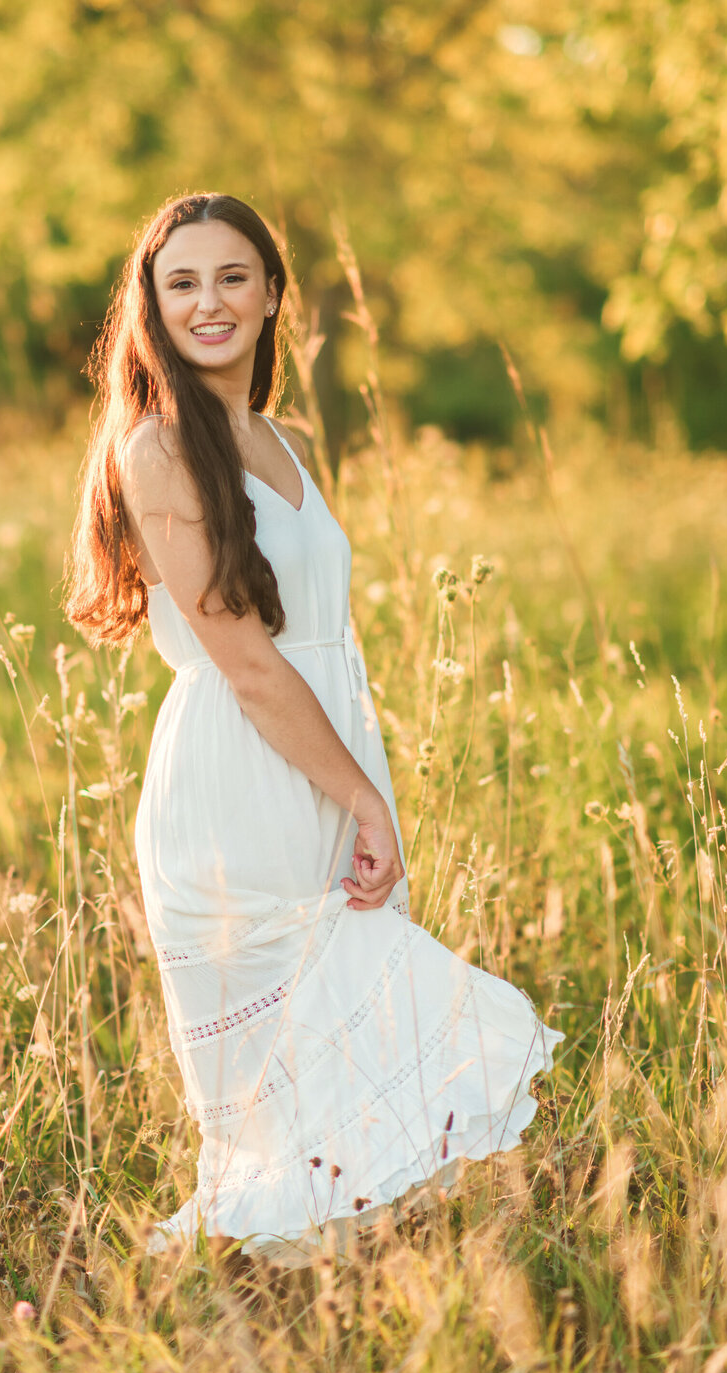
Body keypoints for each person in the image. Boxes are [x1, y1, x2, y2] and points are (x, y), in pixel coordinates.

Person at [64, 191, 562, 1265]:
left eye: (233, 276)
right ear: (150, 305)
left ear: (274, 292)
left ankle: (338, 1307)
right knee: (296, 1066)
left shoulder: (276, 439)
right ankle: (242, 1304)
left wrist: (356, 778)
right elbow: (245, 660)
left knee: (349, 1051)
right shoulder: (156, 449)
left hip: (322, 750)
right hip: (241, 779)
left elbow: (316, 635)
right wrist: (362, 793)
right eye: (181, 282)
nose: (209, 302)